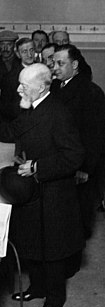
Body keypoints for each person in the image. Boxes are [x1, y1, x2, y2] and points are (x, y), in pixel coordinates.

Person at [0, 63, 85, 307]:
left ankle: (55, 299)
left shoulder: (58, 113)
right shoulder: (32, 108)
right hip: (32, 192)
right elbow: (13, 131)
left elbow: (75, 156)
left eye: (24, 86)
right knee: (33, 241)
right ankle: (37, 288)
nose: (18, 89)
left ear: (41, 87)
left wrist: (38, 166)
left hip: (53, 192)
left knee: (52, 249)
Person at [52, 44, 105, 239]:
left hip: (80, 167)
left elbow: (95, 135)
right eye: (53, 63)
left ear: (74, 65)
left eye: (60, 63)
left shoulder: (90, 92)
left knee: (79, 217)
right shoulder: (56, 87)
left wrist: (86, 168)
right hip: (62, 162)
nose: (55, 67)